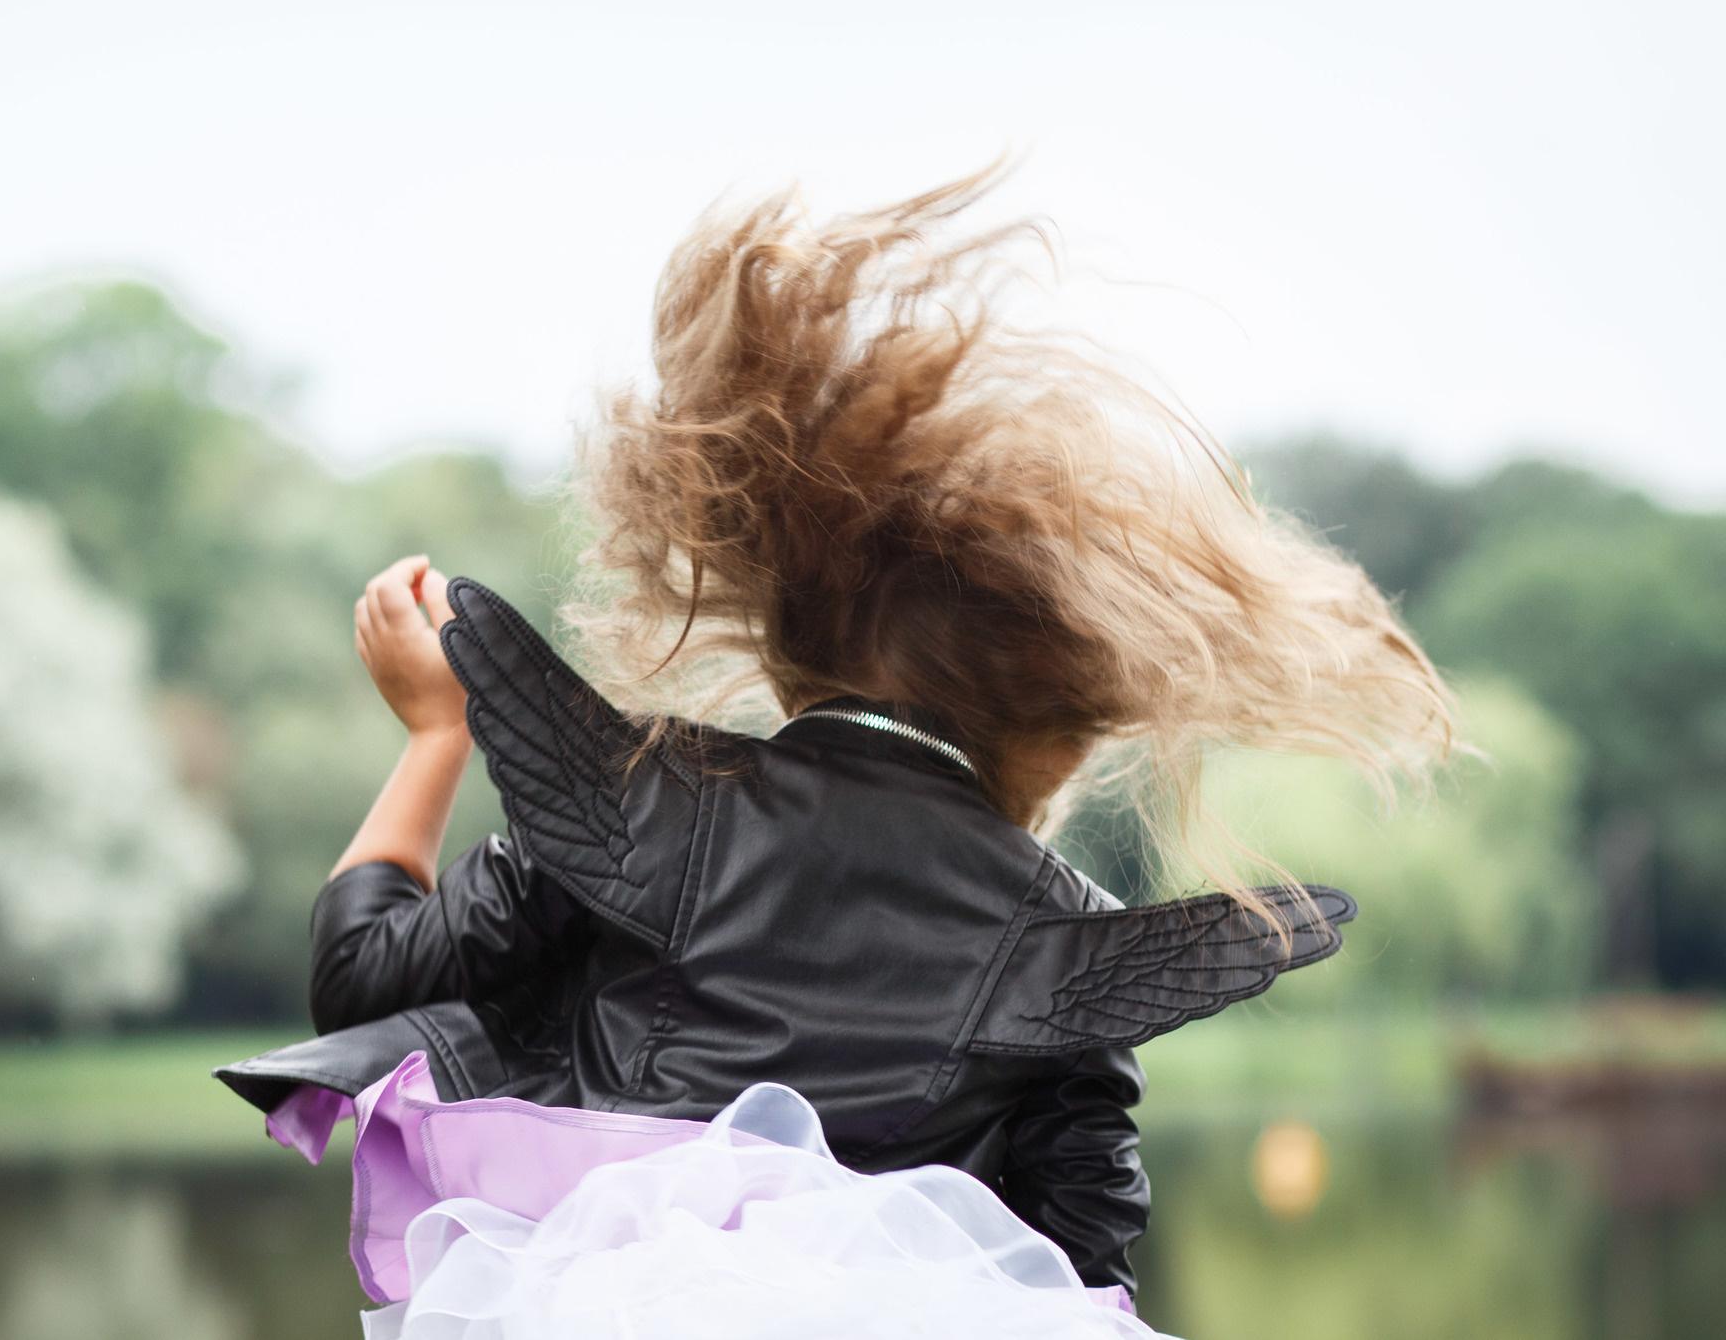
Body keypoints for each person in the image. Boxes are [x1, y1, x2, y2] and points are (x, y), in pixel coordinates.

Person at [216, 172, 1454, 1340]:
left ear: (784, 641)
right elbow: (1079, 1265)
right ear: (1064, 721)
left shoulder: (655, 806)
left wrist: (440, 732)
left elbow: (363, 981)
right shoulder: (1060, 934)